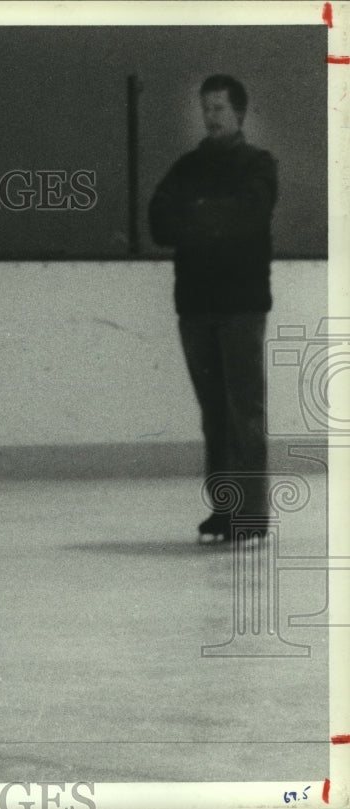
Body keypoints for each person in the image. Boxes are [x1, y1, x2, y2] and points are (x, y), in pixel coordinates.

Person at [148, 74, 278, 544]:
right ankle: (225, 511)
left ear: (239, 113)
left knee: (243, 410)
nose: (211, 116)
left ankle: (252, 515)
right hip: (197, 307)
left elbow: (248, 217)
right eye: (206, 108)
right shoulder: (187, 167)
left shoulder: (258, 165)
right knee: (214, 414)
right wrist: (210, 216)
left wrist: (196, 216)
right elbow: (159, 220)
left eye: (219, 108)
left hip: (240, 306)